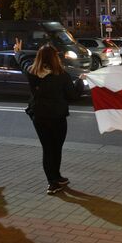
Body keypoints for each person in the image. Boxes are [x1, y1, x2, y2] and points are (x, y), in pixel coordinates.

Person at [14, 39, 79, 195]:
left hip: (39, 117)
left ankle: (55, 178)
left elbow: (22, 61)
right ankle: (53, 181)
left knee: (48, 149)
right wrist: (81, 82)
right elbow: (73, 95)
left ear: (39, 57)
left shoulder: (32, 72)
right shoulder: (62, 75)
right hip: (57, 118)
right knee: (56, 149)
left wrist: (17, 51)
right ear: (55, 58)